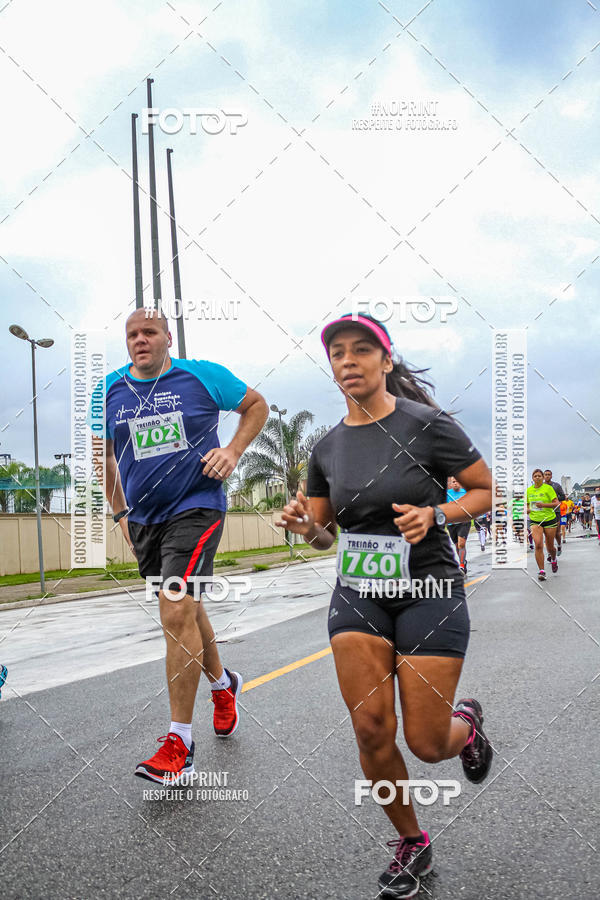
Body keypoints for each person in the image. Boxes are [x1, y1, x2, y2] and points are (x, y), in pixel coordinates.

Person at [276, 313, 493, 899]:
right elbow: (323, 534)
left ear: (385, 361)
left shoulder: (428, 426)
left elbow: (483, 489)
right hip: (360, 591)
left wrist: (437, 514)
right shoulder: (326, 447)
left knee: (425, 742)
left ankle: (465, 728)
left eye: (361, 350)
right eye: (338, 353)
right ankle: (411, 841)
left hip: (429, 587)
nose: (348, 360)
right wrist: (302, 527)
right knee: (372, 727)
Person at [95, 308, 268, 783]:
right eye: (132, 334)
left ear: (168, 337)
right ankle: (223, 684)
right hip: (145, 520)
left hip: (197, 507)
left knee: (174, 608)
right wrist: (120, 513)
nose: (140, 340)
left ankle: (179, 745)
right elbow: (102, 456)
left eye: (149, 332)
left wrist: (232, 451)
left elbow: (257, 405)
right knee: (187, 611)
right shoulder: (108, 390)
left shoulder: (201, 376)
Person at [526, 470, 559, 580]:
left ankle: (553, 558)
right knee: (538, 544)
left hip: (549, 519)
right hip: (535, 520)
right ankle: (542, 571)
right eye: (535, 476)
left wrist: (543, 505)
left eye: (539, 476)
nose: (537, 478)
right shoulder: (528, 490)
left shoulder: (548, 488)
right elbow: (526, 505)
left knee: (550, 547)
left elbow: (556, 503)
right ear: (532, 478)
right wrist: (527, 509)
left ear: (543, 477)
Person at [446, 476, 471, 571]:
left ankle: (461, 566)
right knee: (457, 546)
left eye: (457, 481)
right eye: (453, 482)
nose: (455, 483)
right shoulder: (447, 494)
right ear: (451, 484)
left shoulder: (465, 492)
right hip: (451, 523)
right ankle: (463, 561)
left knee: (461, 544)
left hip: (464, 521)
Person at [543, 470, 565, 554]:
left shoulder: (556, 486)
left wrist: (554, 499)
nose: (547, 476)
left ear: (551, 476)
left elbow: (563, 497)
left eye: (549, 475)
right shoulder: (541, 486)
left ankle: (559, 545)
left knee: (556, 532)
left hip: (556, 511)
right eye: (546, 475)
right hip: (545, 512)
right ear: (543, 476)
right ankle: (550, 552)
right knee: (547, 534)